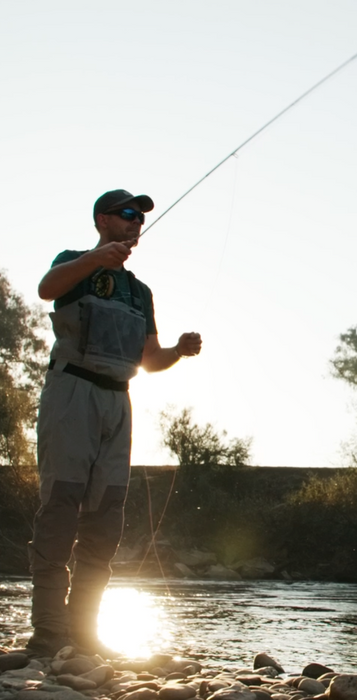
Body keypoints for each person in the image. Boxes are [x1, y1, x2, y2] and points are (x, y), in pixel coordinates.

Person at [26, 189, 202, 658]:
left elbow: (149, 359)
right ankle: (47, 633)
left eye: (139, 217)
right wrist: (98, 259)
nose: (135, 223)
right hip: (71, 394)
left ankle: (84, 632)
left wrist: (178, 353)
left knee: (106, 517)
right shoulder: (74, 264)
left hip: (118, 403)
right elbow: (46, 288)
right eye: (127, 215)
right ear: (103, 219)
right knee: (60, 508)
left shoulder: (140, 292)